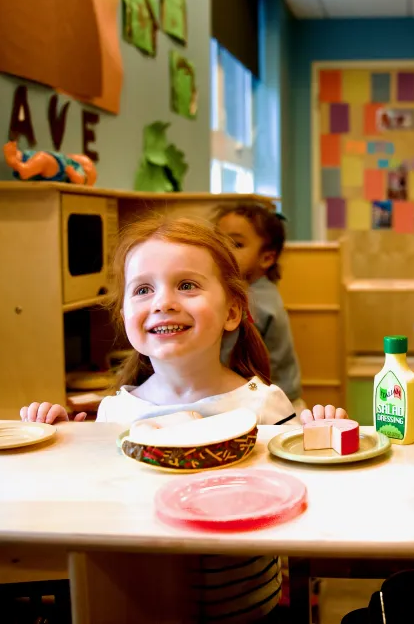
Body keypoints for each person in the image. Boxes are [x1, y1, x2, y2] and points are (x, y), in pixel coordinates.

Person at [22, 215, 344, 622]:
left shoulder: (265, 404)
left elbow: (306, 500)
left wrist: (325, 438)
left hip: (250, 611)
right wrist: (56, 439)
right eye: (142, 289)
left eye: (187, 285)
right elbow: (87, 503)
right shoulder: (114, 412)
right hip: (144, 605)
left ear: (232, 311)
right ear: (123, 315)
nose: (163, 301)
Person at [215, 204, 304, 412]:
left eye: (235, 244)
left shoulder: (251, 302)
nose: (222, 250)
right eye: (218, 241)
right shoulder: (262, 291)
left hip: (272, 406)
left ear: (266, 258)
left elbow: (224, 360)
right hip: (274, 397)